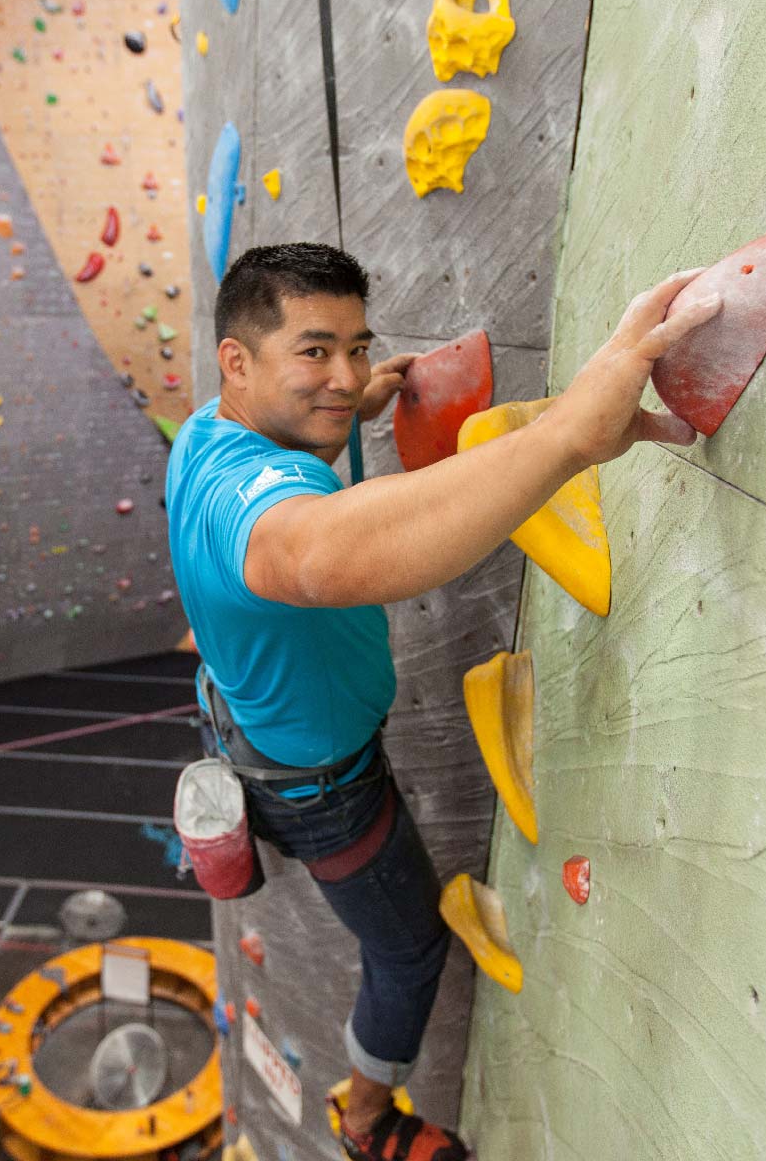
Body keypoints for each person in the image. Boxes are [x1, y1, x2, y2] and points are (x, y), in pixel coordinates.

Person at [164, 243, 719, 1161]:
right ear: (237, 361)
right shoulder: (247, 499)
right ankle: (366, 1119)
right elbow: (310, 553)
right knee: (410, 951)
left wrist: (356, 401)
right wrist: (569, 433)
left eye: (355, 347)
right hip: (323, 786)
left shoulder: (205, 436)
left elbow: (306, 459)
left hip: (243, 717)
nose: (343, 377)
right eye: (314, 353)